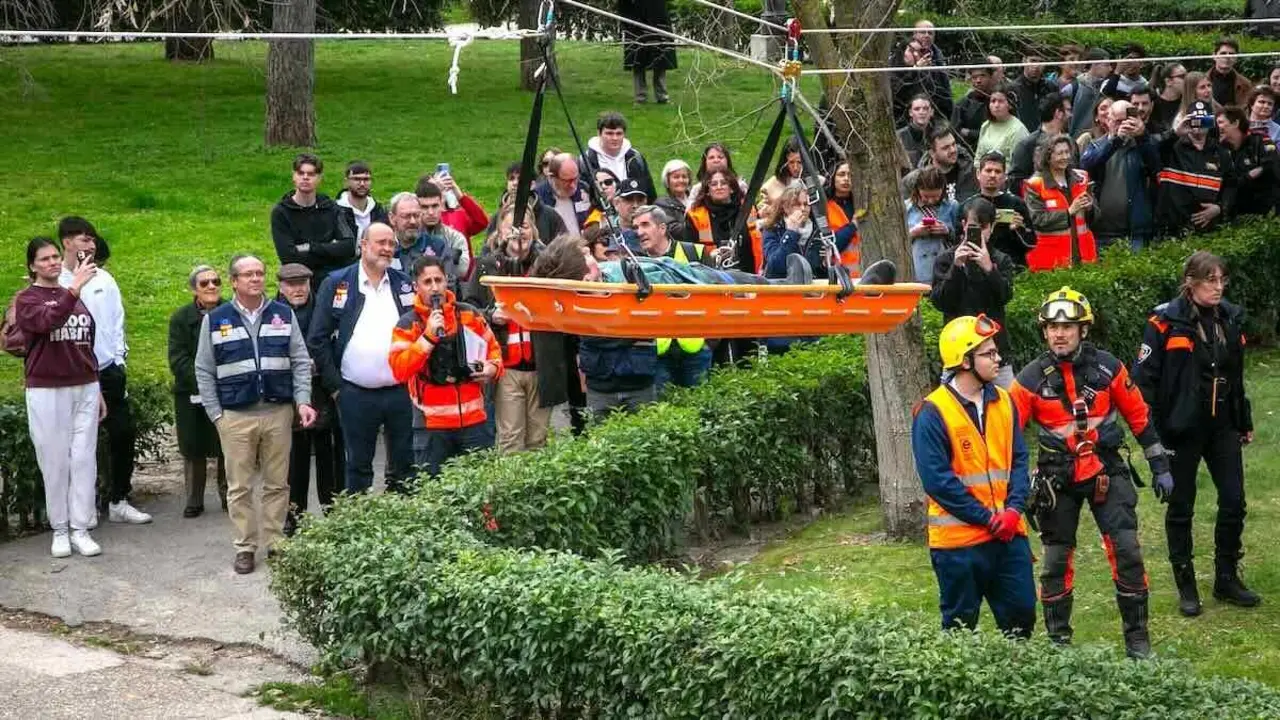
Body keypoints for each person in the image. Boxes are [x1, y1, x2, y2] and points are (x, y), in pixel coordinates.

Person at [1009, 287, 1172, 659]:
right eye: (1052, 326)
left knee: (1127, 551)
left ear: (1084, 330)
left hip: (1106, 469)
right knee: (1054, 562)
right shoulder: (1029, 379)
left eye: (1068, 326)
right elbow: (1009, 438)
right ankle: (1058, 645)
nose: (1059, 333)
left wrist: (1160, 465)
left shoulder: (1109, 368)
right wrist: (1012, 490)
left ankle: (1137, 642)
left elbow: (1139, 417)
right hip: (1056, 478)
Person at [1133, 252, 1260, 616]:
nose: (1218, 288)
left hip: (1222, 427)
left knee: (1234, 500)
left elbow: (1236, 377)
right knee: (1181, 507)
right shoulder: (1163, 322)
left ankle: (1226, 577)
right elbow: (1144, 382)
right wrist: (1153, 438)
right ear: (1190, 281)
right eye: (1210, 280)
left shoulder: (1230, 318)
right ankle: (1186, 585)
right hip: (1180, 428)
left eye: (1222, 280)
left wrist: (1243, 420)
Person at [910, 314, 1036, 638]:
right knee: (960, 629)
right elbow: (938, 482)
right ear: (965, 361)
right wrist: (987, 519)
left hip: (1008, 536)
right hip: (958, 545)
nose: (998, 359)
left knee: (1022, 619)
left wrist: (1013, 511)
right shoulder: (932, 412)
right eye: (988, 353)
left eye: (995, 352)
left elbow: (1018, 460)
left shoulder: (1005, 401)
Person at [194, 254, 315, 575]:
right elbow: (204, 370)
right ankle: (245, 546)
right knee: (240, 487)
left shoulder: (283, 314)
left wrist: (301, 401)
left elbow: (301, 361)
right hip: (235, 416)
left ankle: (275, 541)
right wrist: (216, 414)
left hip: (278, 412)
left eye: (260, 273)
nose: (256, 279)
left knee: (277, 484)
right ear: (233, 281)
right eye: (248, 274)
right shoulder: (216, 319)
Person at [308, 223, 416, 494]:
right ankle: (358, 525)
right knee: (357, 466)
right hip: (354, 393)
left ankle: (408, 527)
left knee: (406, 465)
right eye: (381, 242)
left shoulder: (403, 284)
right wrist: (335, 387)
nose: (387, 249)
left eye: (391, 244)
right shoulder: (337, 283)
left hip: (401, 391)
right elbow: (317, 338)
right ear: (363, 245)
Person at [56, 217, 150, 525]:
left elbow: (116, 323)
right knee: (79, 441)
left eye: (93, 239)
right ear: (67, 242)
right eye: (84, 239)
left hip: (108, 369)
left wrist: (118, 360)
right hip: (71, 374)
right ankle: (80, 507)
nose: (91, 244)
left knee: (123, 432)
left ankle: (119, 499)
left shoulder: (105, 280)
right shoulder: (56, 282)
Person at [17, 237, 106, 558]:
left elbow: (86, 340)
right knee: (54, 461)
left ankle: (81, 528)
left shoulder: (76, 296)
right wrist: (73, 290)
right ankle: (60, 529)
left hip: (85, 385)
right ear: (32, 266)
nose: (53, 262)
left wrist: (97, 386)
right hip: (46, 388)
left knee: (84, 458)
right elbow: (46, 322)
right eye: (44, 259)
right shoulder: (27, 299)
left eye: (56, 256)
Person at [389, 256, 502, 477]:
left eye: (438, 280)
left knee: (484, 496)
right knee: (435, 499)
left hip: (475, 422)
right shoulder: (407, 323)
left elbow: (494, 352)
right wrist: (428, 338)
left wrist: (491, 369)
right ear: (416, 287)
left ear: (447, 281)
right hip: (432, 428)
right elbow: (399, 370)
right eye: (427, 282)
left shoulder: (469, 314)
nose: (434, 288)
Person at [464, 207, 552, 453]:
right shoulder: (487, 265)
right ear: (500, 232)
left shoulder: (547, 264)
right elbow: (469, 309)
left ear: (533, 230)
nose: (518, 232)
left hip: (542, 364)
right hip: (506, 366)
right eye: (511, 226)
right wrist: (491, 315)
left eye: (523, 225)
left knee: (539, 441)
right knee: (510, 440)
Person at [276, 262, 341, 535]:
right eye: (292, 284)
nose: (298, 289)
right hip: (288, 390)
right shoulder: (273, 313)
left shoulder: (323, 308)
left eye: (302, 283)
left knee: (329, 453)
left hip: (324, 387)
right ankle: (293, 515)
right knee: (295, 457)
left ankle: (334, 511)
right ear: (281, 286)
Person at [928, 200, 1016, 388]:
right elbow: (940, 302)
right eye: (973, 227)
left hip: (996, 353)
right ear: (964, 226)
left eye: (984, 227)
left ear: (992, 228)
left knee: (1007, 410)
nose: (979, 233)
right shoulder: (946, 259)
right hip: (958, 355)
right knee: (954, 413)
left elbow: (1005, 296)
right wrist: (957, 267)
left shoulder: (1001, 259)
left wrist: (989, 269)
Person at [168, 265, 227, 518]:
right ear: (194, 289)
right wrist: (202, 383)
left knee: (228, 444)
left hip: (226, 389)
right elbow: (177, 358)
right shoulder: (181, 318)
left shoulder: (230, 312)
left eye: (216, 281)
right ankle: (194, 500)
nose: (211, 286)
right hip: (190, 391)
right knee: (193, 447)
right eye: (205, 283)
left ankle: (230, 496)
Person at [635, 204, 713, 389]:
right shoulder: (635, 262)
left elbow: (715, 293)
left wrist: (710, 341)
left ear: (662, 228)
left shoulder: (695, 253)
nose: (639, 232)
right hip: (657, 351)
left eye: (645, 225)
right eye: (636, 227)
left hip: (697, 348)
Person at [1079, 99, 1161, 251]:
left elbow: (1156, 168)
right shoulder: (1096, 145)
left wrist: (1142, 137)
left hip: (1134, 232)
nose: (1123, 125)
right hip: (1101, 230)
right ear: (1108, 121)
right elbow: (1087, 166)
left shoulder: (1142, 145)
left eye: (1127, 120)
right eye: (1118, 121)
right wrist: (1116, 141)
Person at [270, 153, 357, 288]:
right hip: (298, 280)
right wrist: (330, 247)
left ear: (319, 178)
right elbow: (288, 257)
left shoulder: (331, 207)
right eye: (301, 173)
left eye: (311, 174)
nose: (305, 177)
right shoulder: (281, 212)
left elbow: (348, 246)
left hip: (332, 278)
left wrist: (309, 247)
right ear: (294, 176)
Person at [1155, 102, 1235, 238]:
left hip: (1206, 230)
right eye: (1194, 120)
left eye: (1204, 120)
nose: (1199, 124)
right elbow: (1153, 149)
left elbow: (1231, 185)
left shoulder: (1221, 153)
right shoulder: (1171, 147)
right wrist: (1175, 133)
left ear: (1211, 122)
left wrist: (1220, 208)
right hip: (1171, 229)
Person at [1024, 135, 1098, 271]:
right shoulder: (1034, 184)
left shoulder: (1081, 177)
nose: (1065, 157)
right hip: (1053, 259)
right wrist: (1069, 212)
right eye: (1060, 153)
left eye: (1067, 152)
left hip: (1083, 255)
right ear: (1048, 156)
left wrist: (1090, 207)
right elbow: (1037, 220)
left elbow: (1096, 216)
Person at [961, 152, 1035, 269]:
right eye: (988, 170)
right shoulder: (967, 205)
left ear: (1005, 176)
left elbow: (1031, 244)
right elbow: (957, 241)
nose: (993, 175)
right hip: (976, 267)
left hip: (1013, 267)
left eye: (998, 171)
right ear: (978, 174)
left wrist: (1018, 230)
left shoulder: (1016, 203)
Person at [684, 168, 763, 274]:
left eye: (724, 183)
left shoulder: (749, 209)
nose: (719, 187)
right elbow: (691, 254)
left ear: (731, 188)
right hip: (713, 279)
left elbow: (760, 238)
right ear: (707, 190)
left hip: (751, 276)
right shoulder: (696, 216)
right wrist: (710, 256)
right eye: (714, 184)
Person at [1216, 105, 1280, 218]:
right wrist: (1249, 175)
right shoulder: (1219, 149)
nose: (1217, 127)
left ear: (1235, 123)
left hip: (1266, 212)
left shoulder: (1259, 140)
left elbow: (1271, 166)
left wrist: (1254, 173)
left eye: (1220, 122)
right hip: (1235, 213)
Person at [580, 111, 658, 202]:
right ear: (599, 133)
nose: (615, 138)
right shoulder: (586, 161)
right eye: (609, 133)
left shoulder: (636, 158)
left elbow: (649, 194)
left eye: (619, 133)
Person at [488, 161, 567, 245]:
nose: (515, 183)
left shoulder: (550, 215)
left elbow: (564, 248)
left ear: (532, 185)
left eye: (520, 179)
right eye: (511, 179)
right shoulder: (498, 218)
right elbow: (487, 251)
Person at [890, 19, 954, 123]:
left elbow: (945, 91)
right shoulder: (901, 55)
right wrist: (915, 70)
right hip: (903, 115)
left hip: (933, 115)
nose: (927, 35)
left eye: (930, 33)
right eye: (923, 32)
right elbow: (895, 89)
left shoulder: (938, 58)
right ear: (914, 34)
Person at [1008, 94, 1071, 198]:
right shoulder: (1027, 145)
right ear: (1058, 113)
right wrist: (1039, 195)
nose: (1071, 115)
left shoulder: (1071, 143)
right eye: (1068, 110)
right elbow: (1015, 182)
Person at [904, 166, 960, 282]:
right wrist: (914, 233)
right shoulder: (906, 208)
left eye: (935, 196)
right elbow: (898, 242)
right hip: (916, 267)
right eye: (926, 196)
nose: (930, 201)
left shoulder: (952, 206)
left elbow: (960, 238)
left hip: (944, 267)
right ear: (918, 190)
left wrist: (947, 231)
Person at [415, 178, 474, 282]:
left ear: (441, 204)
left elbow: (462, 271)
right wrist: (446, 258)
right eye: (424, 207)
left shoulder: (455, 237)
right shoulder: (409, 236)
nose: (431, 212)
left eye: (434, 206)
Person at [903, 125, 978, 205]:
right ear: (932, 153)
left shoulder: (970, 172)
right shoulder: (915, 180)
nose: (953, 150)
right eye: (946, 148)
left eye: (953, 144)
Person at [619, 0, 675, 104]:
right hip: (635, 22)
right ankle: (640, 97)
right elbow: (623, 5)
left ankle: (662, 96)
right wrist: (628, 22)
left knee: (660, 61)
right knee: (638, 61)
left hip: (659, 21)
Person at [535, 153, 593, 237]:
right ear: (552, 177)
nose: (573, 185)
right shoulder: (538, 198)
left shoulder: (584, 189)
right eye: (567, 181)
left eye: (575, 178)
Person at [425, 169, 491, 243]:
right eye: (435, 186)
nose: (440, 187)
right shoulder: (424, 219)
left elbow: (482, 223)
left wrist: (459, 194)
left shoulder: (459, 215)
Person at [823, 160, 862, 274]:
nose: (846, 179)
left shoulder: (861, 205)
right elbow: (830, 245)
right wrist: (853, 226)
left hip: (864, 275)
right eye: (841, 174)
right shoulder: (825, 208)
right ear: (832, 178)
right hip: (838, 275)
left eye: (850, 175)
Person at [336, 160, 389, 240]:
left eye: (366, 179)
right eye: (356, 179)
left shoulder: (379, 211)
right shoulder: (335, 211)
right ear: (346, 182)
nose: (362, 184)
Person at [1068, 49, 1114, 137]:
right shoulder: (1074, 88)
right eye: (1106, 65)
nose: (1110, 69)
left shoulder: (1105, 88)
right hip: (1075, 142)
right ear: (1094, 65)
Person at [976, 90, 1030, 161]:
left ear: (1010, 105)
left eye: (1001, 101)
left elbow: (1017, 163)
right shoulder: (986, 125)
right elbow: (978, 155)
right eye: (993, 101)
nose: (996, 105)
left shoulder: (1018, 130)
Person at [951, 65, 995, 152]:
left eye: (982, 76)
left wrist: (970, 133)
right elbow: (955, 131)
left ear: (990, 77)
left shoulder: (999, 101)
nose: (978, 81)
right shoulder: (963, 104)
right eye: (974, 77)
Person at [1013, 55, 1058, 131]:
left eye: (1041, 62)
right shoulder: (1013, 89)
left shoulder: (1052, 87)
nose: (1036, 66)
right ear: (1024, 60)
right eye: (1033, 61)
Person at [1208, 37, 1254, 108]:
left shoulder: (1246, 84)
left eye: (1231, 54)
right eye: (1223, 53)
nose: (1227, 56)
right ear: (1214, 56)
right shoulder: (1202, 81)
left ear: (1236, 58)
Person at [760, 138, 805, 209]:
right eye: (791, 162)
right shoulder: (771, 186)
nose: (795, 168)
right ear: (785, 162)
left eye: (799, 162)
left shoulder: (818, 181)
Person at [897, 94, 937, 168]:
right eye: (917, 109)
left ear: (931, 112)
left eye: (925, 108)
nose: (921, 112)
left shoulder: (939, 135)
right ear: (910, 113)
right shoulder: (899, 137)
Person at [1149, 63, 1187, 135]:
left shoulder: (1188, 102)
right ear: (1168, 81)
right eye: (1182, 76)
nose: (1187, 80)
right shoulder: (1153, 105)